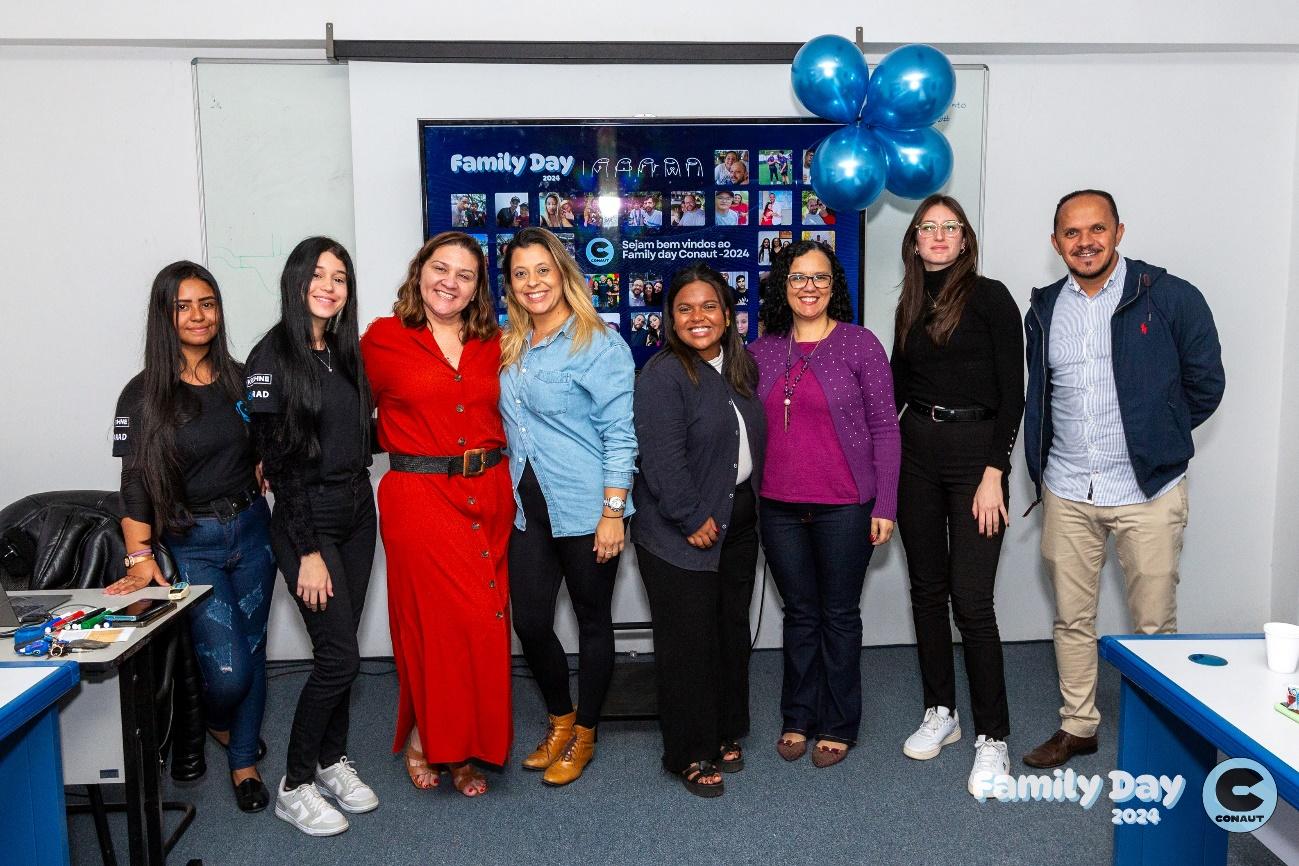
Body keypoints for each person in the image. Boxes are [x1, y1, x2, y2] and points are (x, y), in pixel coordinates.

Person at [1020, 189, 1225, 768]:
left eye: (1097, 229)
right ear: (1056, 242)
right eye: (1071, 232)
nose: (1085, 242)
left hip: (1147, 493)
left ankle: (1162, 734)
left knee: (1155, 622)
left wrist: (1160, 436)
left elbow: (1206, 384)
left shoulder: (1170, 297)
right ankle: (1078, 726)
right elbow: (1043, 392)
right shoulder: (1044, 308)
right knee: (1071, 618)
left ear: (1119, 231)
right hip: (1068, 491)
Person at [107, 261, 276, 813]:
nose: (199, 316)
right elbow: (133, 485)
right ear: (165, 315)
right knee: (228, 673)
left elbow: (262, 446)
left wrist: (267, 463)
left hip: (253, 532)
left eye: (208, 303)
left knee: (253, 653)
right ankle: (219, 720)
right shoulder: (141, 396)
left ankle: (244, 764)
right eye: (184, 306)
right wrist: (137, 555)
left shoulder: (241, 377)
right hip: (191, 542)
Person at [360, 232, 512, 798]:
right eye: (439, 268)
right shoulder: (382, 339)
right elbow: (338, 408)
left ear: (477, 289)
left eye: (465, 274)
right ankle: (434, 741)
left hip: (490, 494)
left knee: (485, 625)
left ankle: (465, 741)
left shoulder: (495, 342)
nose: (449, 281)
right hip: (419, 499)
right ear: (419, 272)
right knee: (435, 629)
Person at [889, 196, 1024, 794]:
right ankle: (940, 712)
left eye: (950, 227)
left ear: (965, 239)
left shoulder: (991, 297)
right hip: (917, 450)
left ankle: (992, 737)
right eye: (928, 228)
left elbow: (1013, 394)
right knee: (925, 591)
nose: (939, 236)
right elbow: (894, 386)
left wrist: (996, 470)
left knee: (972, 602)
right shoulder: (911, 303)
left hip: (977, 458)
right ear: (915, 241)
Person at [245, 237, 379, 836]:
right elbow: (280, 470)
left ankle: (330, 760)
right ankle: (295, 782)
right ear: (296, 281)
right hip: (308, 520)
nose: (330, 285)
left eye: (341, 277)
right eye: (319, 274)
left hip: (357, 509)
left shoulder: (342, 350)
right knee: (338, 658)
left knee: (342, 651)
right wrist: (305, 552)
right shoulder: (270, 358)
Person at [750, 239, 900, 769]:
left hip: (846, 505)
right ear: (782, 287)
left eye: (818, 278)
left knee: (838, 615)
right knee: (799, 614)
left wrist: (886, 503)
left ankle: (838, 723)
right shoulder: (761, 351)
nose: (808, 287)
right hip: (777, 506)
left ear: (833, 287)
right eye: (797, 278)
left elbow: (886, 428)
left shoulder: (861, 345)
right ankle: (798, 715)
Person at [499, 227, 637, 787]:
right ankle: (561, 718)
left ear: (563, 274)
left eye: (543, 270)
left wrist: (613, 511)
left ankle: (586, 734)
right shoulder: (510, 343)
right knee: (530, 621)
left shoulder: (598, 343)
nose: (533, 282)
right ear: (509, 284)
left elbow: (620, 435)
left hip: (586, 508)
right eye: (520, 273)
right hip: (526, 508)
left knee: (591, 621)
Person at [632, 265, 766, 797]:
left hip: (736, 525)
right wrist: (690, 517)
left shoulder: (741, 368)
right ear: (670, 319)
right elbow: (661, 459)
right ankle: (688, 751)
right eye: (685, 308)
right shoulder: (663, 375)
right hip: (679, 533)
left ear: (728, 315)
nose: (698, 317)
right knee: (687, 643)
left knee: (730, 633)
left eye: (709, 306)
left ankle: (725, 729)